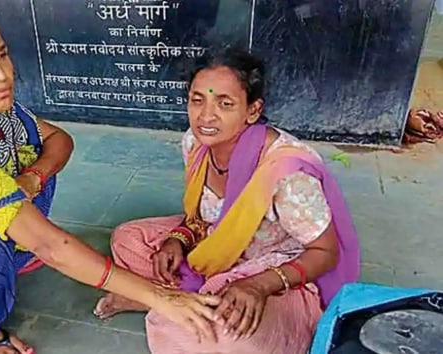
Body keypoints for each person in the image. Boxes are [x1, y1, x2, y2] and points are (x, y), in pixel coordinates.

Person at [0, 2, 223, 354]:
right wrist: (161, 298)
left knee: (31, 169)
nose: (1, 74)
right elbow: (50, 245)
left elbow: (59, 140)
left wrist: (33, 177)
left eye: (2, 55)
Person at [93, 47, 361, 354]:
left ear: (252, 110)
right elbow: (201, 217)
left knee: (223, 334)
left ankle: (156, 298)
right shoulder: (195, 143)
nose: (206, 116)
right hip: (216, 247)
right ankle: (179, 297)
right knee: (128, 239)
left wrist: (258, 286)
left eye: (225, 103)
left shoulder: (285, 172)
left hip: (275, 271)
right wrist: (178, 240)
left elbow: (325, 252)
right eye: (197, 100)